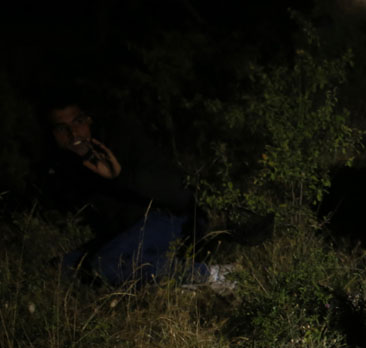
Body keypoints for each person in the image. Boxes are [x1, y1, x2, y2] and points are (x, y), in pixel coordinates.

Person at [40, 97, 227, 287]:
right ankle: (174, 283)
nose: (73, 133)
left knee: (106, 264)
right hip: (129, 231)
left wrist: (120, 175)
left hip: (172, 218)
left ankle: (216, 275)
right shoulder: (64, 165)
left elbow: (177, 192)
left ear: (89, 120)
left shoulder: (117, 140)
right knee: (62, 267)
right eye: (62, 128)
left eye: (78, 122)